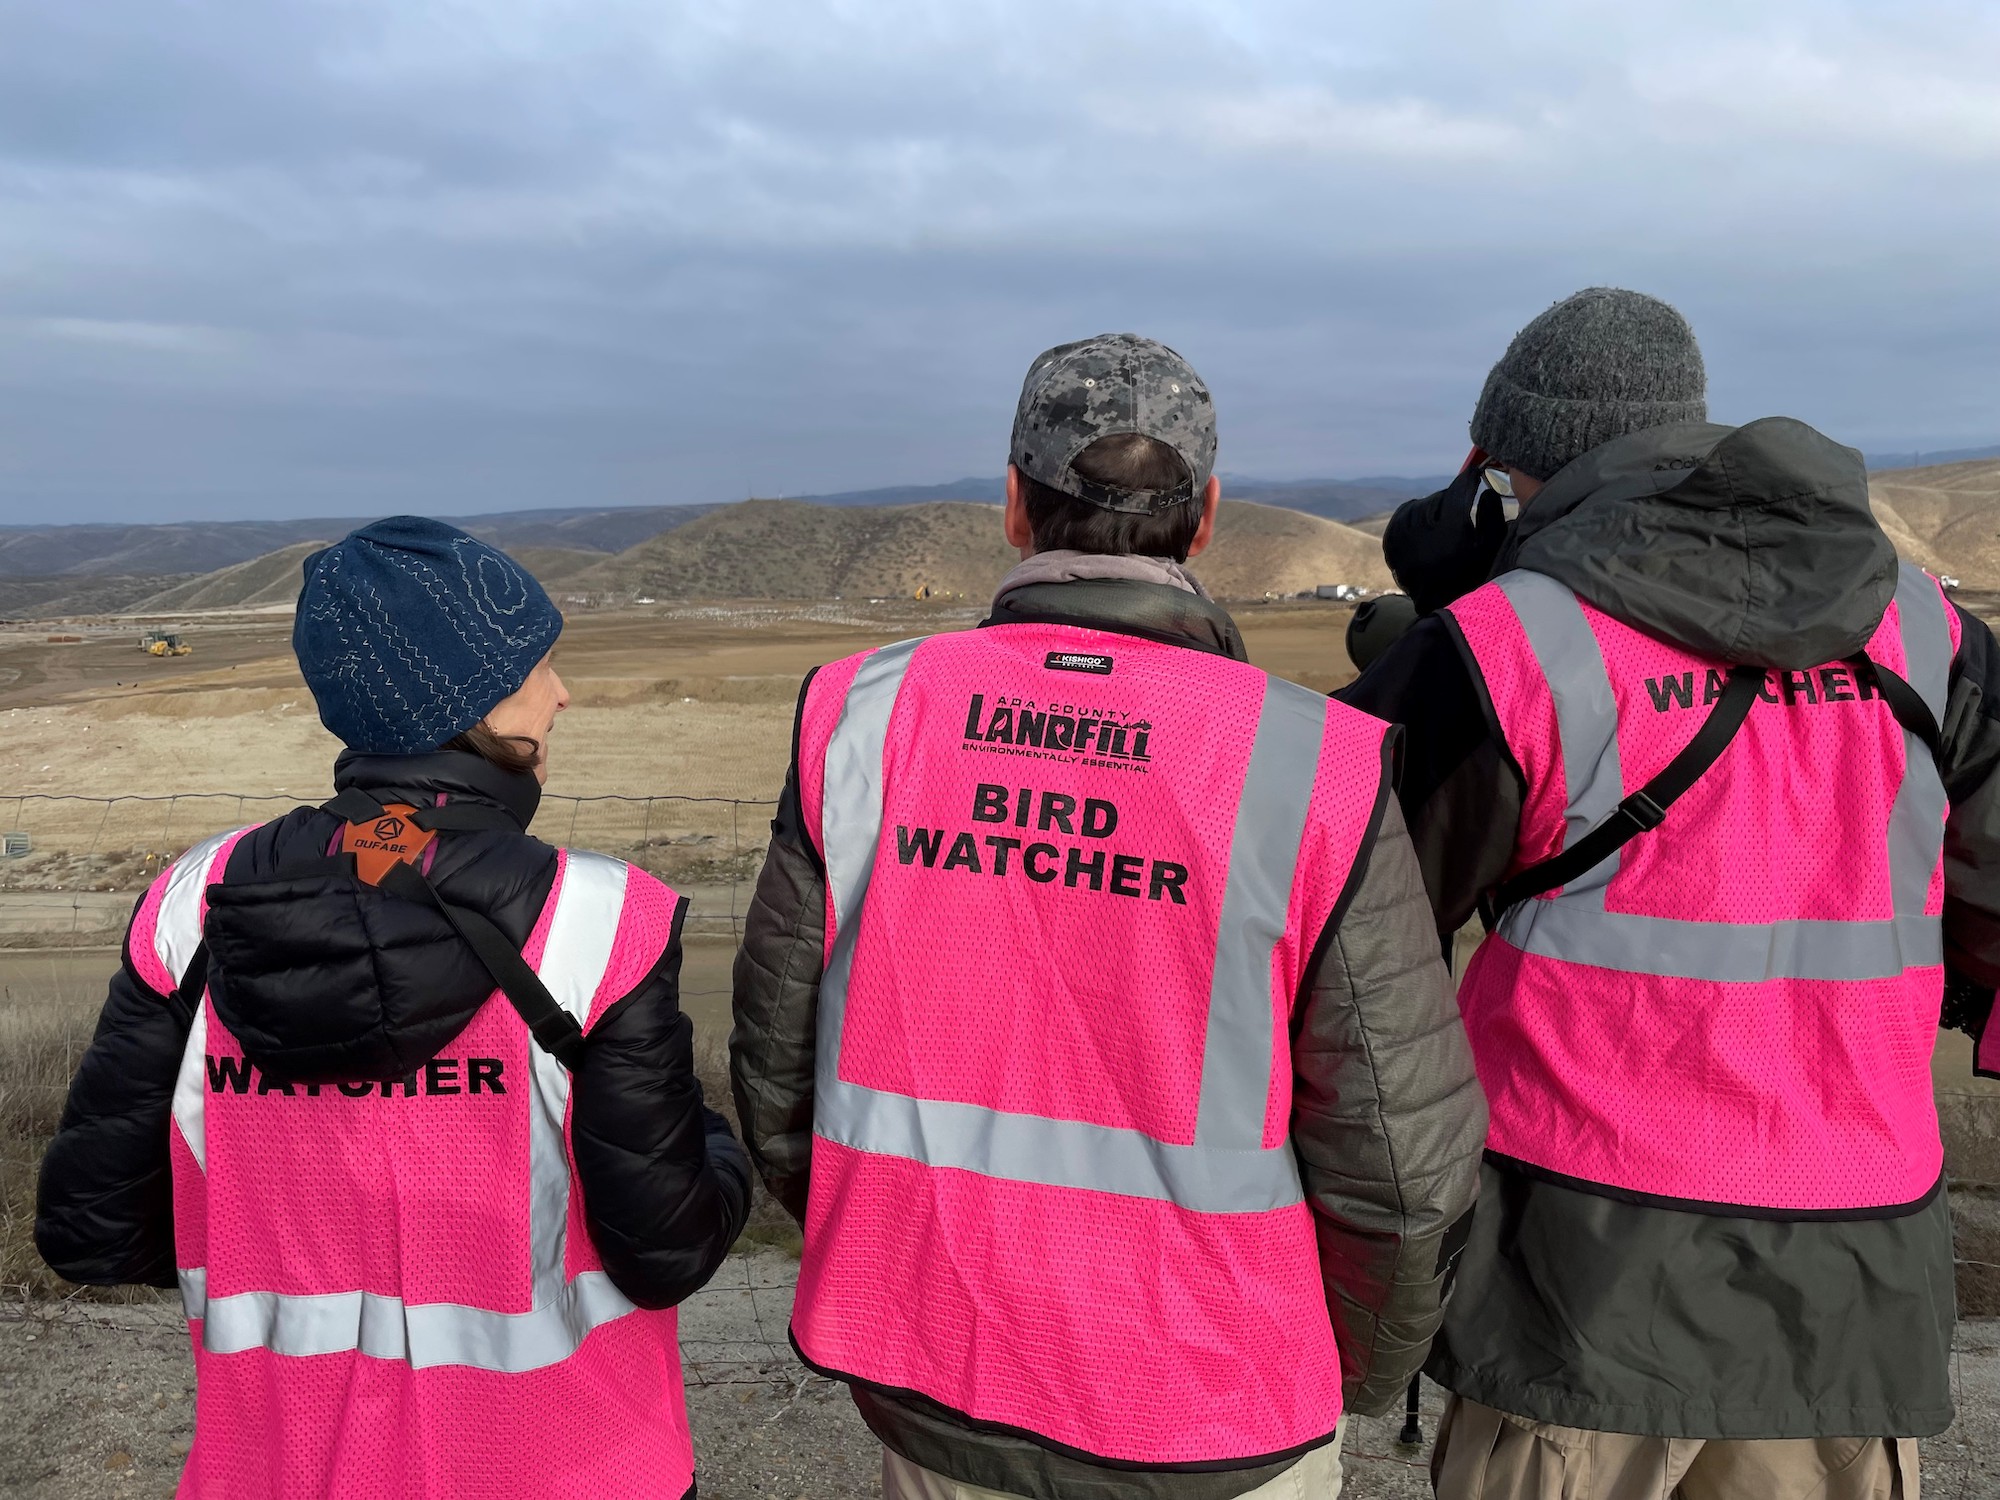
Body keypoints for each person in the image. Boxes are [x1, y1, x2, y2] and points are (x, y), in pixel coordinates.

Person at [731, 332, 1487, 1500]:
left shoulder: (861, 717)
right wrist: (1348, 1371)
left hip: (938, 1371)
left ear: (1012, 508)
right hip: (1221, 1400)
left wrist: (897, 1256)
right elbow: (1396, 1157)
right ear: (1207, 515)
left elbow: (776, 1072)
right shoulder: (1310, 762)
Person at [1342, 288, 2000, 1498]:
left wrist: (1433, 638)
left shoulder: (1508, 646)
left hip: (1576, 1283)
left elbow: (1332, 922)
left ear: (1515, 468)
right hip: (1852, 1276)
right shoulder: (1925, 630)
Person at [37, 518, 750, 1499]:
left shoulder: (190, 907)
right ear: (470, 702)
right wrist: (714, 1143)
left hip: (274, 1471)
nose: (561, 692)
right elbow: (667, 1249)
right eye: (537, 666)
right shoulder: (599, 922)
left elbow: (95, 1230)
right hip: (572, 1466)